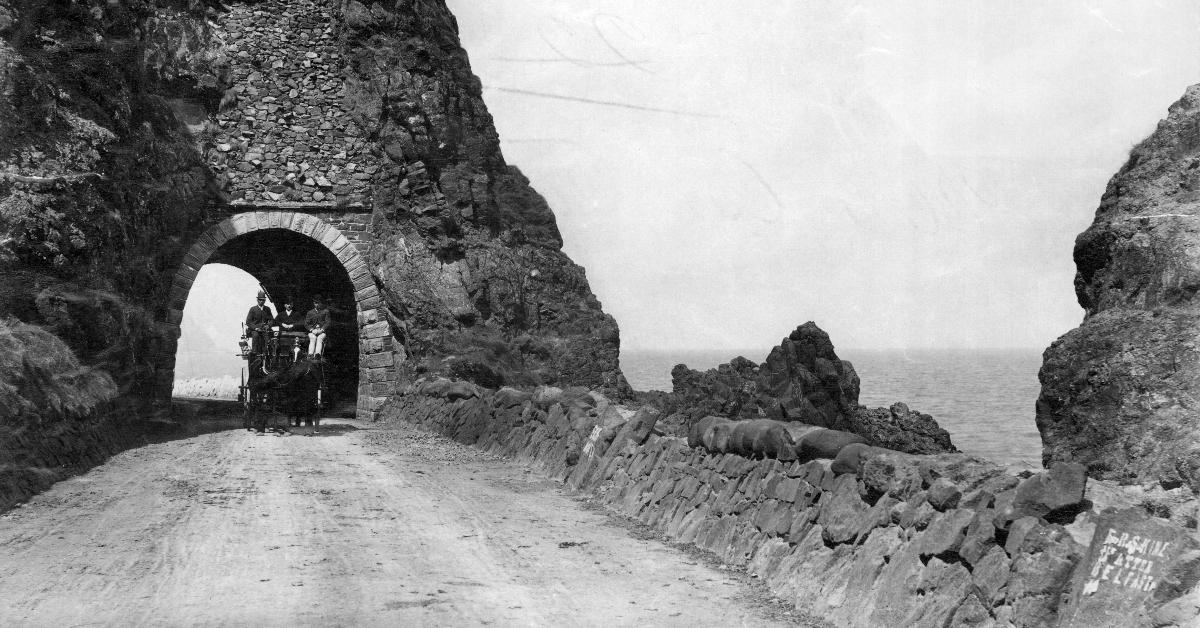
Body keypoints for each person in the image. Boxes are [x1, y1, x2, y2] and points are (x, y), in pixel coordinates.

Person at [274, 297, 307, 361]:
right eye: (287, 304)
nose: (289, 305)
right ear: (285, 305)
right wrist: (282, 324)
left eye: (290, 304)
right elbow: (275, 321)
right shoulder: (281, 314)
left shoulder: (296, 314)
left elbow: (302, 322)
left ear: (292, 305)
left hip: (294, 336)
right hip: (283, 336)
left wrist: (293, 325)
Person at [244, 290, 273, 355]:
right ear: (257, 300)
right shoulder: (253, 309)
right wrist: (255, 328)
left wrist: (268, 325)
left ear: (265, 301)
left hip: (265, 329)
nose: (261, 301)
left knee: (271, 336)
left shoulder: (267, 309)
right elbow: (248, 321)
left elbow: (271, 320)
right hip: (256, 329)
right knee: (256, 335)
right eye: (260, 300)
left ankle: (268, 353)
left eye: (263, 300)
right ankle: (255, 353)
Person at [305, 295, 331, 360]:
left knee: (319, 338)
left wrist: (322, 329)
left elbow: (328, 322)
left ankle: (317, 354)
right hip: (312, 331)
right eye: (316, 303)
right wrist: (311, 330)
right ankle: (310, 354)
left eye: (319, 303)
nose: (317, 304)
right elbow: (306, 323)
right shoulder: (310, 312)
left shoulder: (326, 311)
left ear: (321, 303)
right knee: (312, 337)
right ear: (314, 303)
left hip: (322, 332)